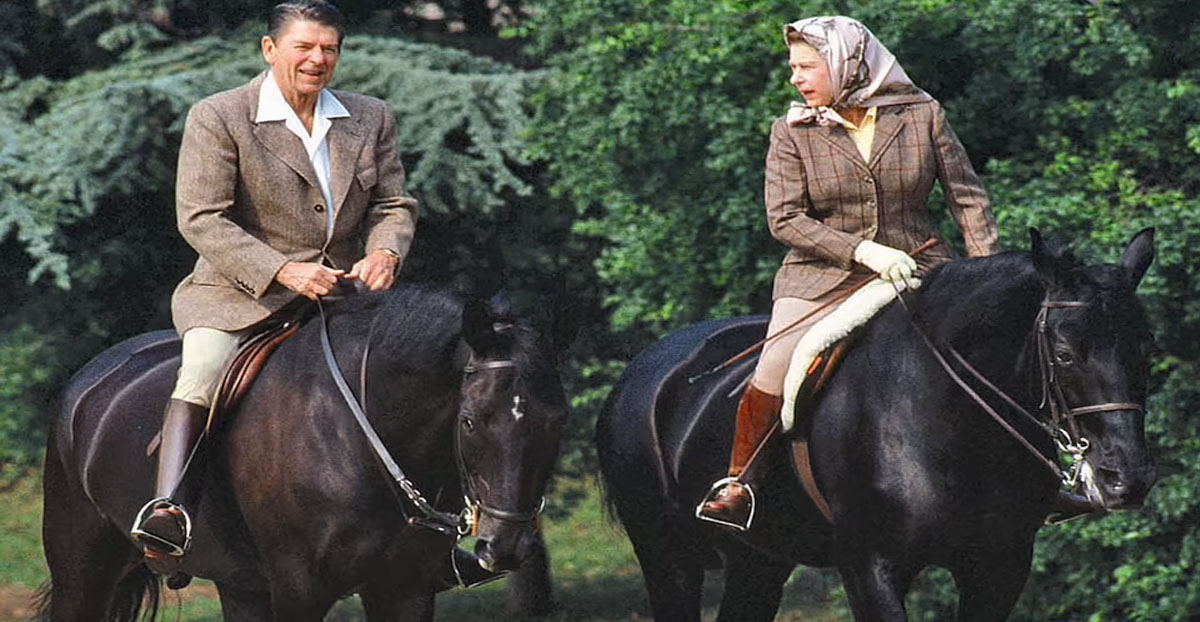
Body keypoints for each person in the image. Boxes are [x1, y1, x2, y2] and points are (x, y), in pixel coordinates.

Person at [129, 0, 417, 557]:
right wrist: (282, 269)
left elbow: (393, 203)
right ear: (270, 49)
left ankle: (441, 530)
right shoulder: (219, 115)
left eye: (328, 48)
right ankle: (170, 510)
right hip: (239, 295)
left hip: (347, 297)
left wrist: (385, 252)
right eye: (303, 46)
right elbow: (201, 217)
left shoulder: (370, 115)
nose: (317, 59)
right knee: (204, 369)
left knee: (428, 369)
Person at [696, 16, 998, 531]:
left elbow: (966, 199)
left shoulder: (922, 115)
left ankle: (1044, 477)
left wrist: (985, 274)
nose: (796, 77)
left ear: (847, 64)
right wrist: (863, 252)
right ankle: (740, 481)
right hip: (822, 275)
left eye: (807, 66)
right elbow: (785, 219)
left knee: (997, 348)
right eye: (793, 67)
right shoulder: (792, 131)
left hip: (919, 264)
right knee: (776, 365)